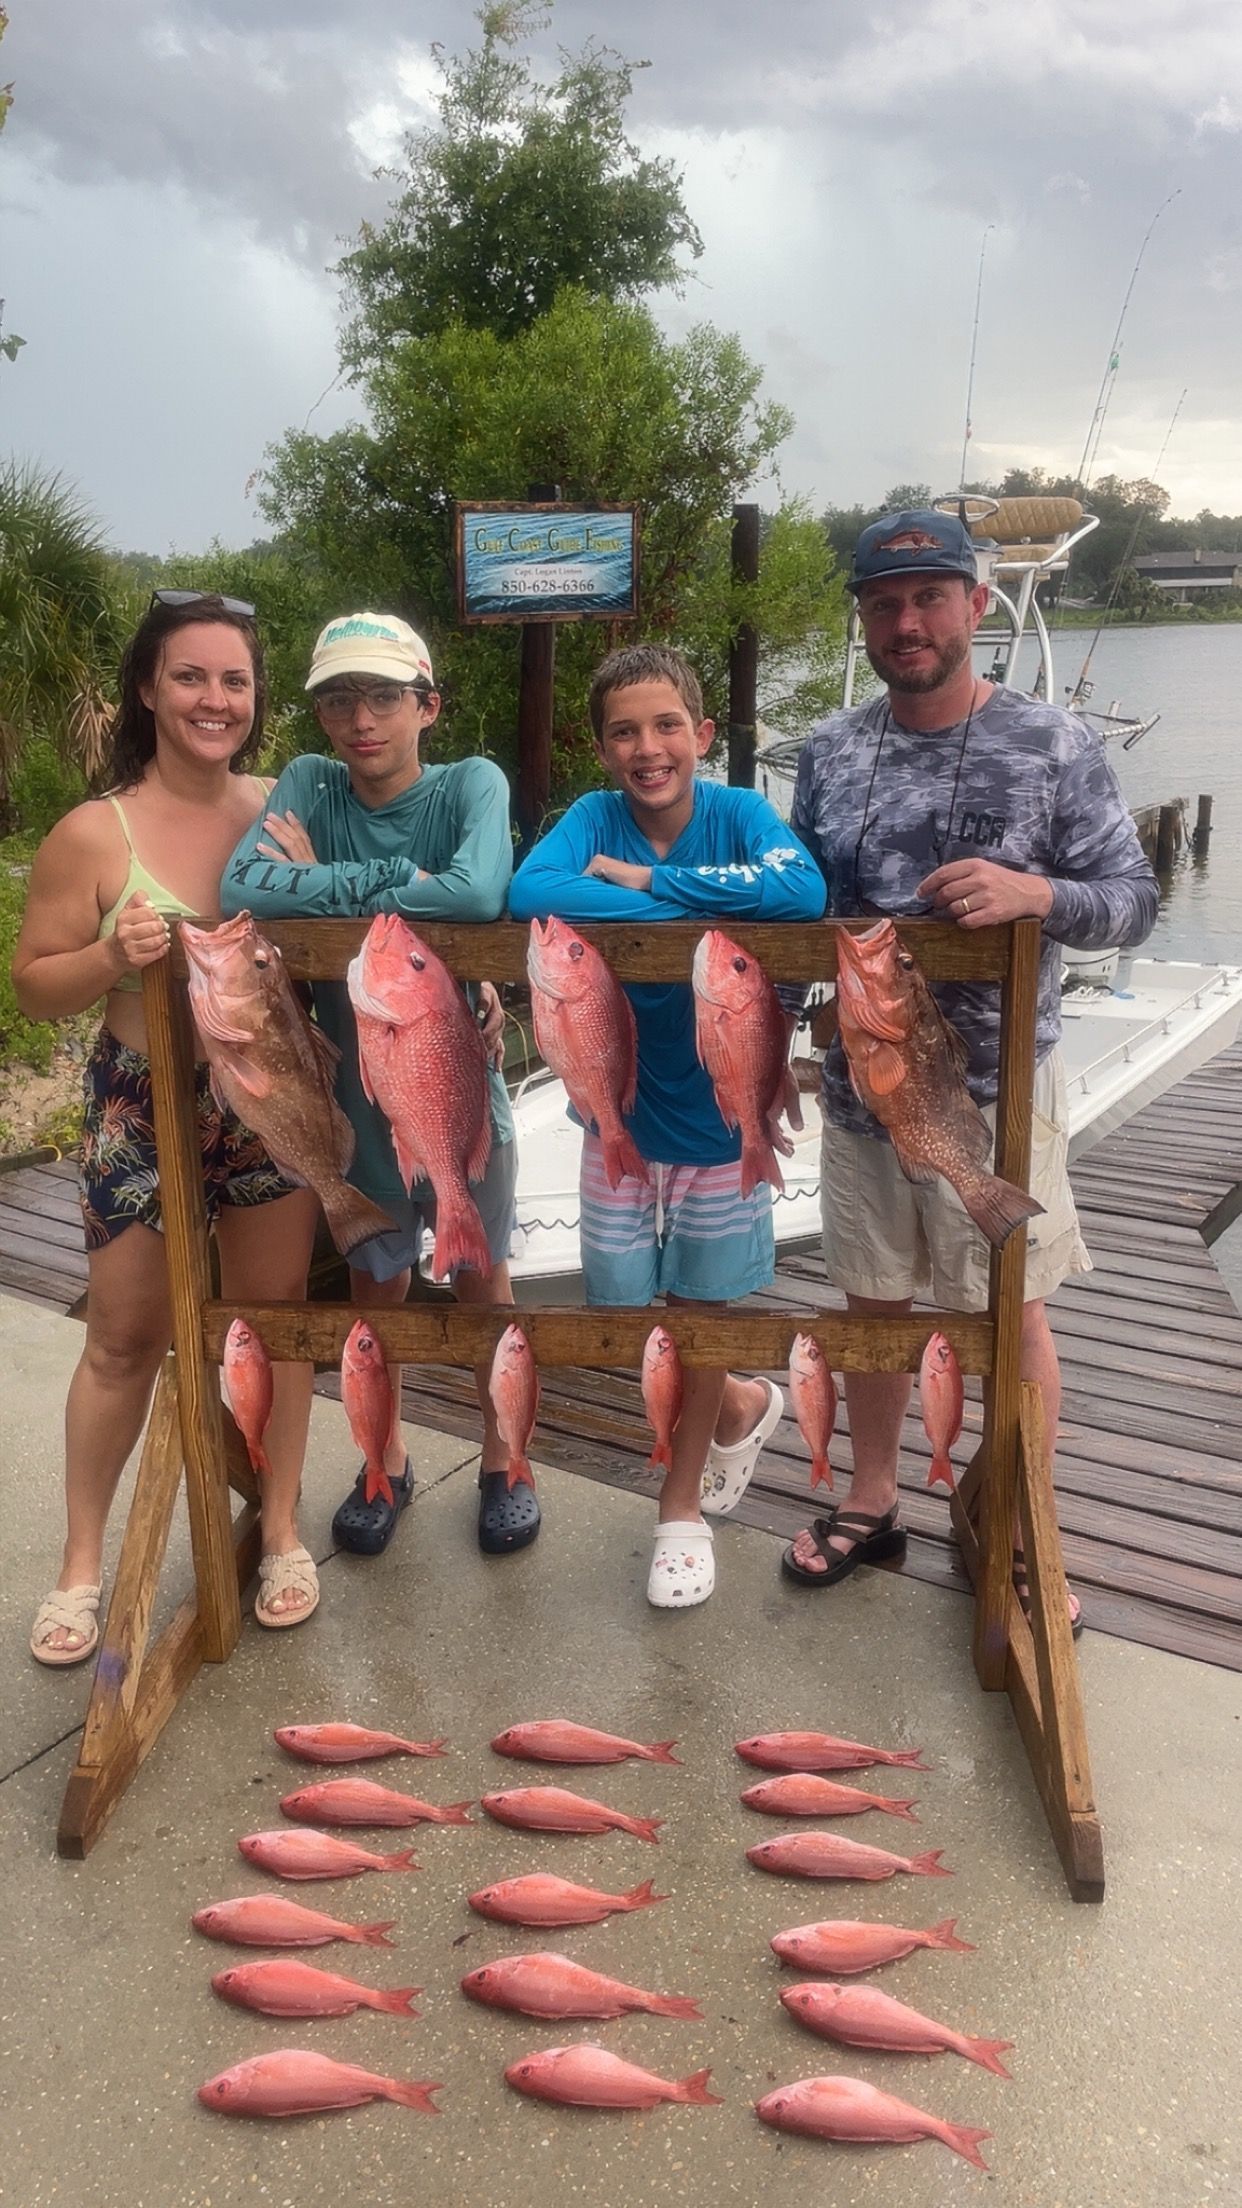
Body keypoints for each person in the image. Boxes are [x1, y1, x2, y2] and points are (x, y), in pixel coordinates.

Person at [779, 509, 1159, 1622]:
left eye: (930, 598)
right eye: (887, 603)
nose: (908, 622)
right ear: (864, 615)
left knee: (1014, 1312)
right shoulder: (833, 752)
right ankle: (875, 1494)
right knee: (873, 1305)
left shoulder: (1054, 742)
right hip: (861, 1093)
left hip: (995, 1100)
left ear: (974, 608)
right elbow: (805, 909)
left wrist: (1037, 893)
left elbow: (1130, 902)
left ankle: (1023, 1514)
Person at [13, 592, 321, 1663]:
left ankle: (279, 1529)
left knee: (274, 1321)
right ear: (148, 688)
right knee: (125, 1336)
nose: (214, 698)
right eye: (191, 676)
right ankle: (83, 1566)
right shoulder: (93, 832)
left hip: (265, 1099)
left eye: (234, 680)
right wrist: (109, 956)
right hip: (141, 1102)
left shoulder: (285, 807)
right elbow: (35, 988)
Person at [509, 643, 827, 1609]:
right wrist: (655, 894)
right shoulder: (590, 817)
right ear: (603, 748)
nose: (648, 749)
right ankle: (738, 1401)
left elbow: (802, 893)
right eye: (623, 732)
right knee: (629, 1316)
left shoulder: (739, 813)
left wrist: (654, 891)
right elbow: (531, 894)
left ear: (701, 732)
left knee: (703, 1316)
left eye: (665, 726)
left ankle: (679, 1511)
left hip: (723, 1131)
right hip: (618, 1126)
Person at [220, 612, 536, 1561]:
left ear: (427, 704)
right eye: (338, 699)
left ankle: (504, 1458)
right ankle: (383, 1457)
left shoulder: (472, 782)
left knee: (484, 1277)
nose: (361, 719)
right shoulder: (311, 782)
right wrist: (402, 882)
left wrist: (329, 878)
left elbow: (481, 895)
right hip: (350, 1099)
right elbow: (246, 886)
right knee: (376, 1282)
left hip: (457, 1086)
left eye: (384, 696)